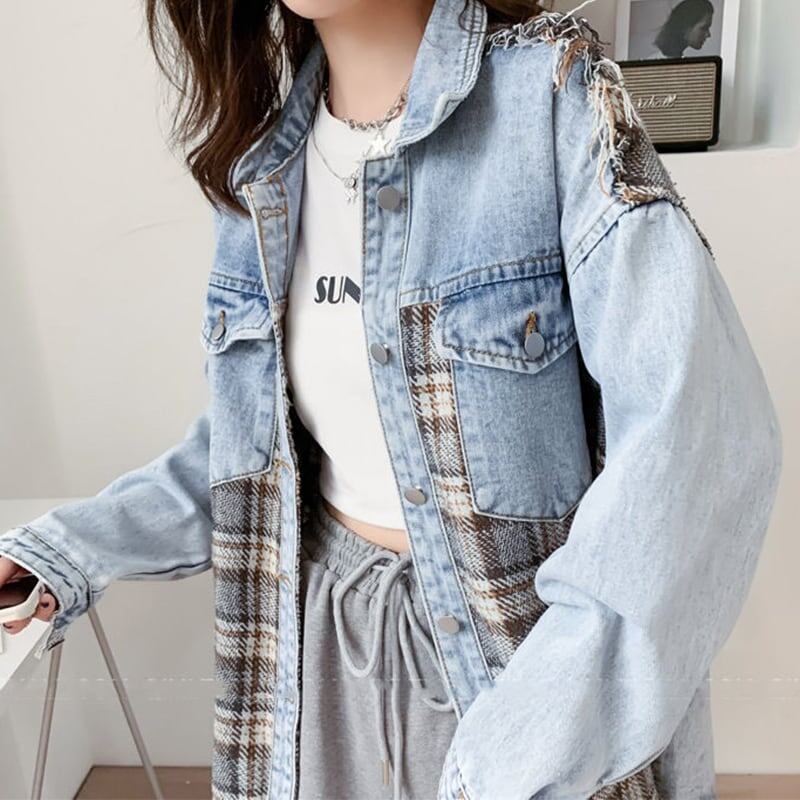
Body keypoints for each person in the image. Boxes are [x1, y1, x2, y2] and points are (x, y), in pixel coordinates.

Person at [0, 1, 783, 798]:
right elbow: (253, 450)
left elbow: (696, 447)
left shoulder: (548, 98)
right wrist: (65, 547)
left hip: (516, 672)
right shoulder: (262, 168)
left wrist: (526, 744)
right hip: (322, 659)